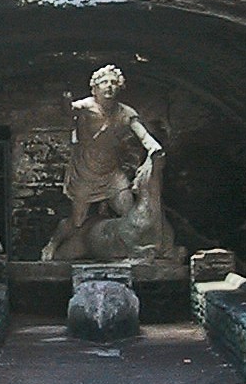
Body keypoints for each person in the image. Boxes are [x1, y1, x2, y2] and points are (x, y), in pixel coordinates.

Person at [40, 65, 164, 260]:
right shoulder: (86, 107)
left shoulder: (125, 112)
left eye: (114, 83)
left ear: (120, 87)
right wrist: (65, 100)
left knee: (129, 213)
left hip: (112, 173)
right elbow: (69, 110)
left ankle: (122, 249)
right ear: (94, 88)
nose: (109, 86)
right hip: (85, 172)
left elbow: (143, 135)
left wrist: (154, 148)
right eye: (104, 82)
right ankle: (53, 243)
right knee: (77, 221)